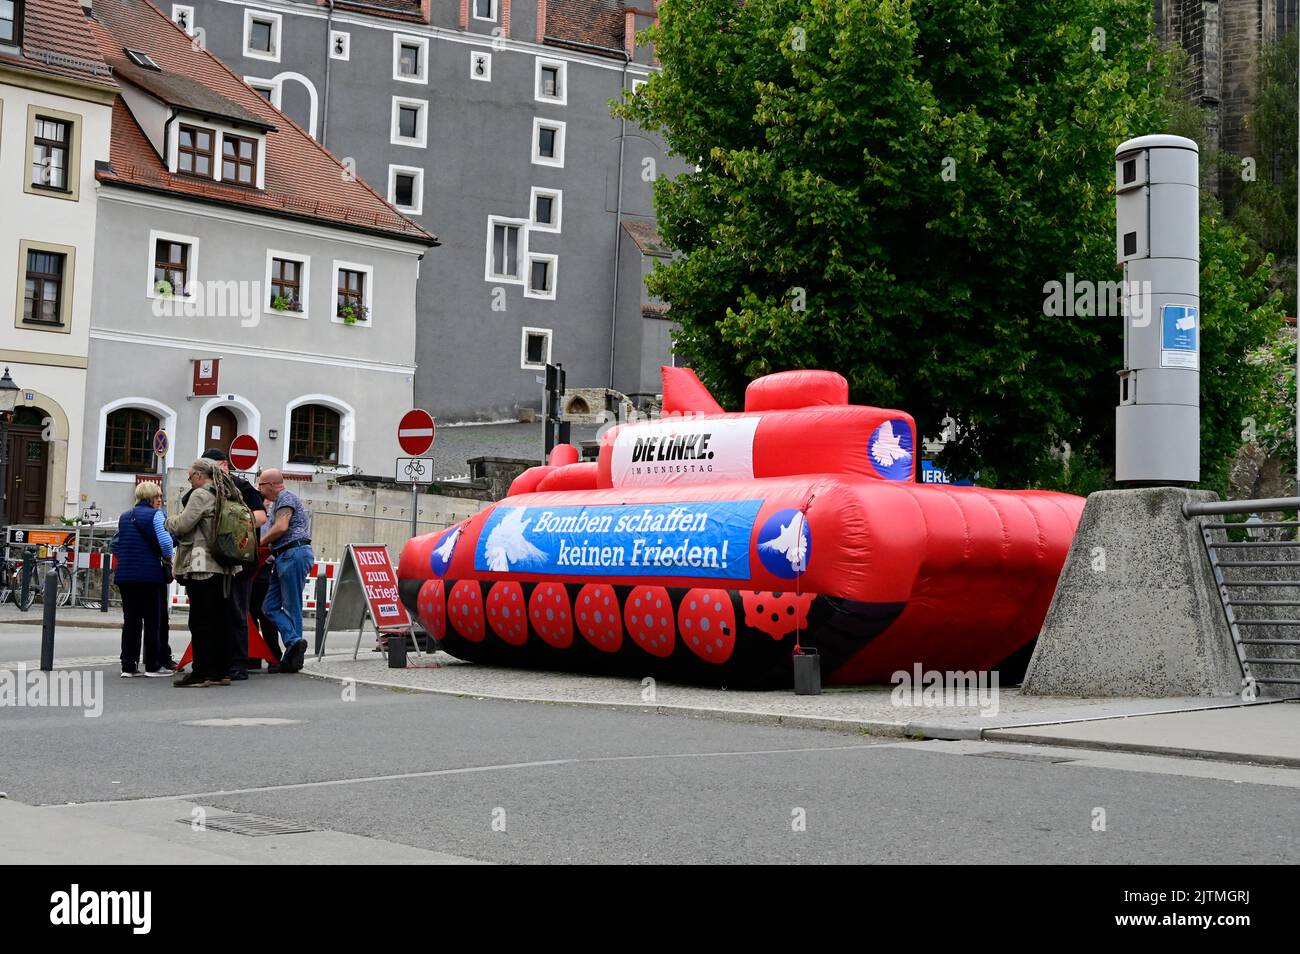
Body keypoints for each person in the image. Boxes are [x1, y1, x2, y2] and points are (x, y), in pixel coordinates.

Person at [195, 448, 267, 680]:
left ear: (223, 465)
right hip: (215, 559)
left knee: (237, 611)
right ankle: (220, 663)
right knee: (218, 612)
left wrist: (233, 526)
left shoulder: (241, 486)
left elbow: (261, 516)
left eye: (210, 465)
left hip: (240, 558)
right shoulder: (205, 488)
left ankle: (239, 663)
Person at [167, 459, 239, 687]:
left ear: (199, 476)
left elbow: (183, 525)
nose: (190, 482)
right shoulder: (228, 493)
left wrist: (168, 520)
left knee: (200, 621)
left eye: (190, 478)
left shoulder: (200, 495)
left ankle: (201, 673)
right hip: (226, 566)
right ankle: (221, 672)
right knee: (221, 620)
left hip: (203, 565)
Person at [115, 482, 174, 678]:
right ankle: (152, 665)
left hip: (126, 575)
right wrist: (167, 557)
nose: (160, 499)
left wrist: (129, 556)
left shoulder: (125, 516)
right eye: (157, 496)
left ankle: (128, 666)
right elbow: (166, 542)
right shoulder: (156, 515)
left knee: (130, 621)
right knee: (152, 620)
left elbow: (115, 544)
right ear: (149, 497)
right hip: (149, 575)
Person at [258, 468, 313, 673]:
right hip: (284, 556)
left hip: (293, 553)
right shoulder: (276, 502)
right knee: (268, 607)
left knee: (292, 606)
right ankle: (294, 642)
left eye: (261, 485)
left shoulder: (286, 497)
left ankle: (293, 656)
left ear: (272, 484)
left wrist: (260, 543)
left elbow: (281, 527)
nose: (259, 489)